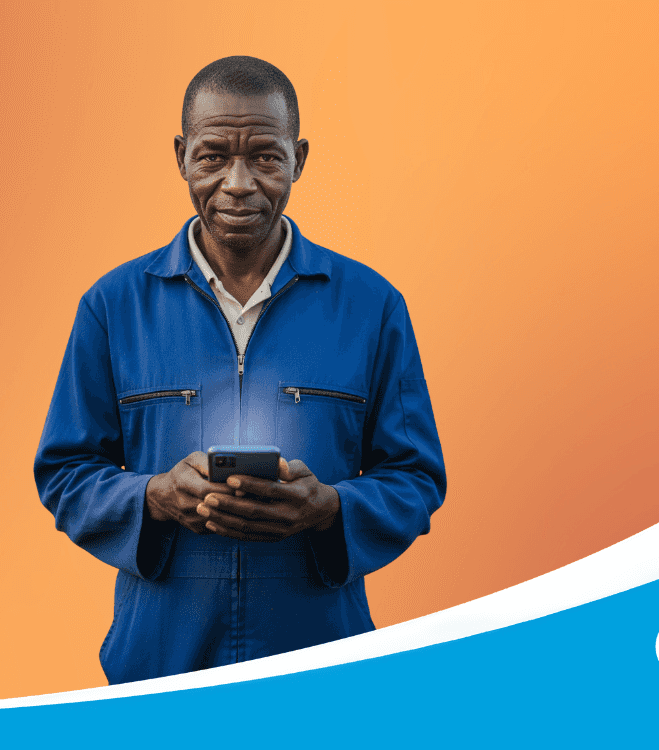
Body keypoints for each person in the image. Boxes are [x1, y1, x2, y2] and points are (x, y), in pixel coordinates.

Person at [34, 56, 446, 685]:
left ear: (299, 159)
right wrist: (155, 496)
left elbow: (416, 478)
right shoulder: (113, 307)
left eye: (265, 157)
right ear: (180, 157)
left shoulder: (372, 306)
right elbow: (64, 473)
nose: (238, 183)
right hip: (160, 670)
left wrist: (329, 508)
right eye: (212, 157)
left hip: (321, 667)